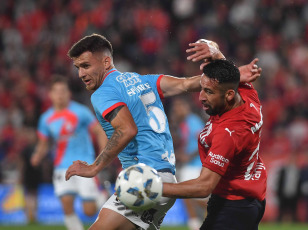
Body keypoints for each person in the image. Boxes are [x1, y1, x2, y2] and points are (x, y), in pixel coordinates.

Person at [65, 34, 262, 230]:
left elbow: (126, 130)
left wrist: (94, 168)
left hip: (145, 179)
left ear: (106, 62)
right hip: (166, 177)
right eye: (78, 68)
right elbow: (187, 84)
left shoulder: (103, 93)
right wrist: (233, 75)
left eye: (86, 66)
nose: (81, 74)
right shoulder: (143, 81)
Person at [163, 59, 267, 230]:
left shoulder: (228, 134)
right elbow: (229, 75)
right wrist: (216, 53)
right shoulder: (247, 95)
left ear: (229, 95)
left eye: (209, 92)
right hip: (245, 197)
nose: (201, 97)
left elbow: (204, 186)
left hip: (233, 207)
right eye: (202, 89)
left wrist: (153, 188)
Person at [31, 76, 107, 230]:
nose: (60, 94)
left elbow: (99, 131)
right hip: (61, 166)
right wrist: (38, 154)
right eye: (57, 91)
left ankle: (103, 197)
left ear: (68, 93)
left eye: (63, 91)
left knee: (89, 211)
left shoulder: (81, 112)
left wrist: (103, 154)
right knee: (67, 205)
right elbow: (43, 143)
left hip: (84, 164)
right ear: (50, 94)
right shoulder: (46, 119)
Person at [169, 96, 205, 230]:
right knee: (187, 195)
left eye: (178, 106)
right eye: (175, 107)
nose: (176, 109)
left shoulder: (193, 121)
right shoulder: (183, 124)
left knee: (186, 194)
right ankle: (195, 222)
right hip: (189, 166)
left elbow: (204, 142)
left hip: (196, 165)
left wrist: (189, 156)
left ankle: (195, 222)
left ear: (186, 107)